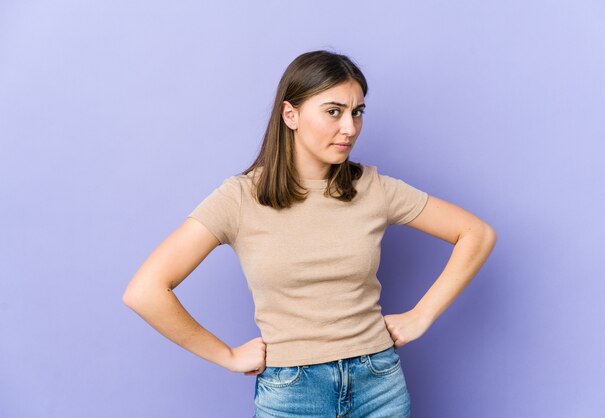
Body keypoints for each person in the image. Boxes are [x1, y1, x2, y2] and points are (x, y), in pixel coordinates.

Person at [123, 49, 497, 417]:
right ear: (291, 114)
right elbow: (145, 291)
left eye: (357, 112)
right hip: (292, 392)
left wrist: (422, 315)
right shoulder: (239, 198)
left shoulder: (373, 187)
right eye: (333, 111)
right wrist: (228, 356)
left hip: (379, 384)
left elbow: (476, 234)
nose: (349, 128)